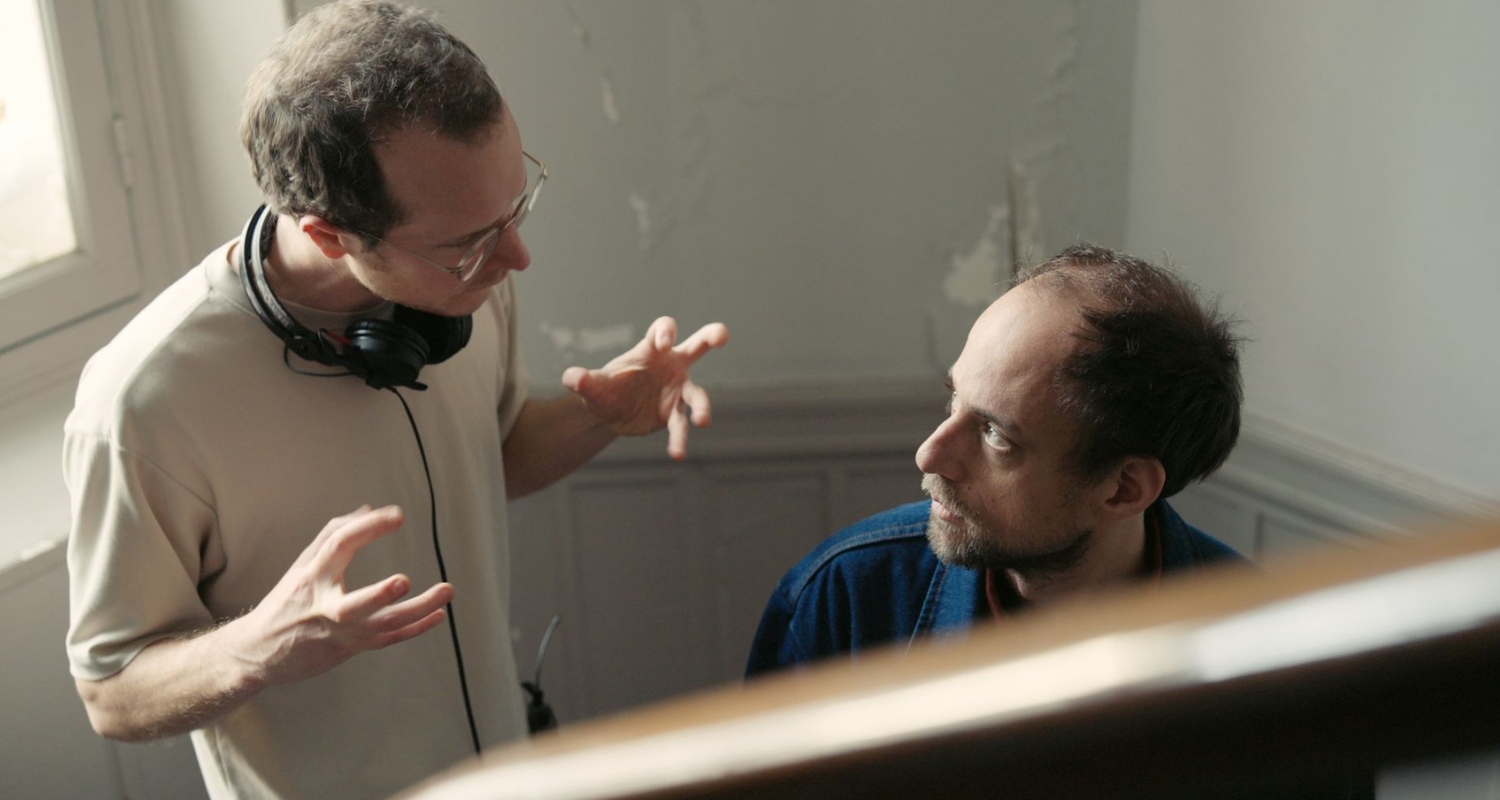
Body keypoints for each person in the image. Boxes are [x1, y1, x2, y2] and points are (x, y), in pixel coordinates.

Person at [63, 2, 727, 798]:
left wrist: (598, 416)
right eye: (468, 242)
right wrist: (260, 647)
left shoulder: (463, 284)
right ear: (328, 235)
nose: (516, 257)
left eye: (514, 207)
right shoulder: (145, 402)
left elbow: (496, 456)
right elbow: (112, 693)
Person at [746, 244, 1246, 677]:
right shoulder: (846, 595)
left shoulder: (1249, 639)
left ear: (1124, 488)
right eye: (954, 399)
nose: (929, 454)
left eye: (995, 435)